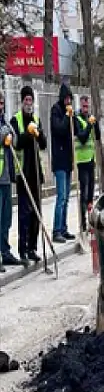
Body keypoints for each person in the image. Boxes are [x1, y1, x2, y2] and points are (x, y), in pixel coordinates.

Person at [12, 86, 46, 263]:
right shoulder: (16, 120)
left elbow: (44, 144)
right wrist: (28, 133)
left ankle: (33, 248)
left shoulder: (36, 119)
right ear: (22, 101)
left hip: (35, 174)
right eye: (26, 100)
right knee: (24, 214)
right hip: (22, 174)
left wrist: (38, 134)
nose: (28, 103)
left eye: (30, 100)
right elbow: (16, 142)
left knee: (36, 214)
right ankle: (23, 250)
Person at [48, 83, 76, 244]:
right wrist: (66, 116)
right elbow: (58, 129)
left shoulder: (69, 112)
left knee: (66, 198)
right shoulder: (56, 111)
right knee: (61, 197)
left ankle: (64, 228)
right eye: (66, 98)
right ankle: (56, 230)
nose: (68, 101)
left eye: (69, 99)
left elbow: (74, 131)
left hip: (67, 160)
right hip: (59, 160)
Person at [73, 95, 100, 235]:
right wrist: (89, 125)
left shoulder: (89, 118)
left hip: (90, 160)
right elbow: (82, 138)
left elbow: (98, 136)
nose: (85, 109)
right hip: (81, 161)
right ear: (80, 106)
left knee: (90, 193)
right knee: (83, 193)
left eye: (87, 106)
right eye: (84, 106)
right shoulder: (76, 119)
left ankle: (90, 221)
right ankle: (82, 223)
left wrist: (96, 124)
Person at [0, 95, 18, 270]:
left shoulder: (4, 121)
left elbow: (15, 139)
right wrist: (5, 134)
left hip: (5, 178)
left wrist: (10, 134)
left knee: (6, 219)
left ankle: (5, 252)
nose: (1, 106)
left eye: (2, 103)